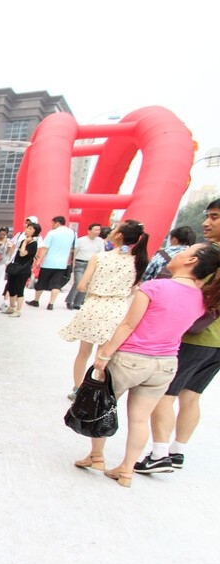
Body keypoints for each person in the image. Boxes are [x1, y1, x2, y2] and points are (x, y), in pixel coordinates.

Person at [72, 241, 220, 487]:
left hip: (131, 359)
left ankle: (96, 456)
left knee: (104, 407)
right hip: (165, 364)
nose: (177, 254)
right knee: (140, 418)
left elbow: (128, 325)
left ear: (191, 261)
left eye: (184, 251)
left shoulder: (154, 287)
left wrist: (105, 354)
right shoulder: (202, 299)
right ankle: (127, 470)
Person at [139, 200, 220, 473]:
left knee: (165, 394)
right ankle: (177, 451)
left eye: (215, 217)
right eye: (208, 216)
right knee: (192, 395)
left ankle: (159, 453)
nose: (207, 223)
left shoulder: (211, 257)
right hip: (216, 344)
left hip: (196, 338)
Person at [58, 220, 146, 399]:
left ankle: (77, 389)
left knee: (83, 353)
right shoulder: (139, 261)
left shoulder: (100, 257)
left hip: (94, 306)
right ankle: (94, 392)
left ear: (119, 235)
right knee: (104, 355)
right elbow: (134, 289)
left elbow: (82, 286)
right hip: (118, 309)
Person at [28, 215, 76, 309]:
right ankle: (51, 304)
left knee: (41, 282)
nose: (52, 225)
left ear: (57, 223)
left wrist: (39, 260)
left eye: (53, 223)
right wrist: (72, 262)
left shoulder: (52, 233)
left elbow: (45, 248)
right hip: (62, 264)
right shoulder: (73, 233)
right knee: (56, 285)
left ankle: (36, 301)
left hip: (49, 263)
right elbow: (74, 249)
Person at [64, 222, 106, 309]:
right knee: (78, 282)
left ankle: (77, 303)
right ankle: (69, 300)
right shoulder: (81, 240)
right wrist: (73, 262)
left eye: (99, 230)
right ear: (89, 231)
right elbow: (75, 251)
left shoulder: (100, 241)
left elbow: (102, 253)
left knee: (86, 284)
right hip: (80, 263)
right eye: (95, 229)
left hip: (92, 264)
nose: (97, 231)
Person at [2, 222, 40, 316]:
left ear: (35, 232)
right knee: (11, 287)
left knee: (19, 290)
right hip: (15, 267)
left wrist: (26, 242)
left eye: (31, 229)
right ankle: (11, 307)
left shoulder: (33, 243)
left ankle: (18, 310)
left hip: (23, 270)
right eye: (27, 228)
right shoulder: (23, 241)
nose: (27, 230)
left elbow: (22, 254)